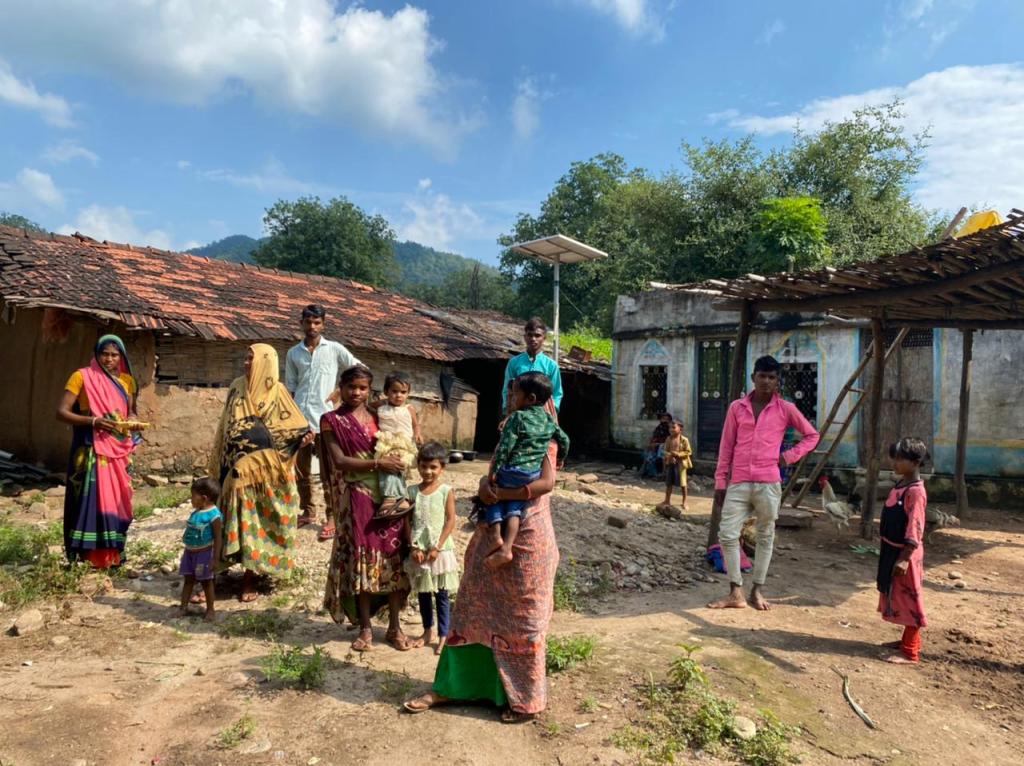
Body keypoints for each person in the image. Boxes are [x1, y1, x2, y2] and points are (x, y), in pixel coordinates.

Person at [403, 441, 560, 722]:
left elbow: (546, 483)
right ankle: (453, 688)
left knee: (522, 619)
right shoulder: (507, 433)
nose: (510, 399)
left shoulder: (544, 434)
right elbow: (492, 473)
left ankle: (522, 698)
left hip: (529, 536)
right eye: (509, 394)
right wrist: (483, 485)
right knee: (472, 610)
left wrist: (502, 492)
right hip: (493, 530)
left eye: (514, 394)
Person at [321, 365, 421, 652]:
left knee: (394, 559)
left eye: (363, 388)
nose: (356, 393)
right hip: (359, 497)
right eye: (351, 387)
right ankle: (365, 627)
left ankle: (394, 627)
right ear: (340, 387)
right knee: (362, 562)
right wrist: (379, 464)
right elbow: (339, 461)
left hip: (392, 496)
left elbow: (407, 418)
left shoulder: (381, 413)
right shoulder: (331, 420)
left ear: (370, 389)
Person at [709, 355, 819, 611]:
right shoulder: (737, 408)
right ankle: (735, 591)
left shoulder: (786, 409)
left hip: (768, 482)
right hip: (738, 481)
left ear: (777, 381)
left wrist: (788, 457)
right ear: (753, 377)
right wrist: (720, 481)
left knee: (765, 536)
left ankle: (757, 590)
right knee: (727, 535)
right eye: (762, 376)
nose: (766, 381)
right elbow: (726, 447)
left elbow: (812, 436)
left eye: (772, 377)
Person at [209, 343, 313, 603]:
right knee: (230, 520)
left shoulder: (278, 392)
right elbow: (226, 424)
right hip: (235, 473)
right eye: (246, 358)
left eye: (251, 359)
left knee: (257, 523)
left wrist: (300, 439)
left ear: (266, 362)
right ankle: (215, 573)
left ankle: (250, 577)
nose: (246, 363)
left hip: (266, 477)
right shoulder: (236, 387)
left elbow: (295, 426)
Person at [56, 334, 143, 569]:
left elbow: (131, 411)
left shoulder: (126, 382)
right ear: (97, 354)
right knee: (89, 500)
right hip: (89, 448)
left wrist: (133, 421)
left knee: (117, 500)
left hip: (118, 450)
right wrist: (93, 421)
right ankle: (85, 558)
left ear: (121, 357)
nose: (109, 359)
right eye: (104, 353)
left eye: (115, 355)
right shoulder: (81, 377)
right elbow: (61, 412)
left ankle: (113, 556)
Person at [285, 304, 361, 541]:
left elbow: (359, 368)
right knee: (300, 470)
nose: (312, 327)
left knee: (330, 472)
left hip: (326, 419)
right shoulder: (293, 353)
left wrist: (341, 388)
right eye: (308, 322)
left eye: (317, 322)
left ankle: (332, 516)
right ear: (302, 324)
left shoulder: (334, 349)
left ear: (323, 324)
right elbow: (290, 387)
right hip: (299, 419)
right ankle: (307, 511)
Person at [484, 372, 569, 568]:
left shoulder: (518, 418)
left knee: (493, 499)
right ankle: (506, 547)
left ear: (530, 399)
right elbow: (565, 439)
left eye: (514, 395)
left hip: (513, 473)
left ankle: (496, 537)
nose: (511, 399)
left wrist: (492, 475)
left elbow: (505, 448)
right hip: (529, 475)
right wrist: (562, 458)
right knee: (514, 509)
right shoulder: (548, 422)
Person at [877, 438, 930, 664]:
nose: (895, 462)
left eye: (900, 458)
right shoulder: (900, 486)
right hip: (892, 549)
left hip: (904, 553)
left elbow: (915, 527)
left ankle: (910, 651)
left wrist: (905, 558)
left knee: (910, 599)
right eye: (894, 457)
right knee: (896, 596)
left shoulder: (915, 492)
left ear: (916, 462)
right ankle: (906, 640)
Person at [406, 441, 460, 655]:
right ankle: (427, 630)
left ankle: (443, 635)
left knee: (442, 594)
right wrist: (413, 546)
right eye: (423, 466)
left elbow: (451, 520)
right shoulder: (412, 491)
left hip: (440, 550)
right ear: (417, 466)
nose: (428, 471)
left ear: (442, 468)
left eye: (433, 467)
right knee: (423, 592)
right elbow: (407, 522)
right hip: (419, 549)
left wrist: (437, 546)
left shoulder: (446, 491)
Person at [373, 371, 423, 516]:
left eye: (403, 392)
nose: (398, 395)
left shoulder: (409, 408)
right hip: (387, 443)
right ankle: (389, 498)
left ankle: (400, 496)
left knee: (401, 468)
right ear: (386, 392)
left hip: (405, 444)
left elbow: (415, 424)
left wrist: (418, 434)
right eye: (394, 391)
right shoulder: (381, 405)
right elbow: (366, 408)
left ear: (408, 393)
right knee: (388, 467)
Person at [178, 477, 223, 621]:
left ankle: (210, 610)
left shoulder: (214, 516)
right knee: (188, 580)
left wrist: (215, 559)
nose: (191, 499)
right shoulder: (197, 512)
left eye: (193, 496)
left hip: (204, 554)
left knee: (206, 582)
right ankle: (183, 607)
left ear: (204, 498)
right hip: (189, 553)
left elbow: (218, 538)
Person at [501, 317, 563, 420]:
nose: (533, 339)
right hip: (518, 414)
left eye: (537, 335)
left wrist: (550, 413)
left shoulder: (551, 365)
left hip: (543, 417)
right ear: (525, 337)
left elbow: (557, 393)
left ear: (544, 338)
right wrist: (508, 412)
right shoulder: (514, 363)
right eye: (530, 335)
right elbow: (507, 390)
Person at [662, 420, 693, 509]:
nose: (671, 429)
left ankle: (684, 502)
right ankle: (667, 500)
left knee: (683, 484)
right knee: (669, 483)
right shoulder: (668, 439)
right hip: (670, 463)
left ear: (680, 429)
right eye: (670, 428)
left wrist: (678, 454)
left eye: (673, 427)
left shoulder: (684, 440)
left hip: (681, 465)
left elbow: (688, 452)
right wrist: (669, 456)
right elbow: (665, 451)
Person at [641, 412, 672, 479]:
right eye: (663, 419)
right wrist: (651, 444)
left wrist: (658, 444)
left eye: (667, 419)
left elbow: (669, 441)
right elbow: (653, 438)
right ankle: (651, 473)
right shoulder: (658, 428)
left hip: (665, 448)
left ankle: (661, 474)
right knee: (647, 455)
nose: (665, 421)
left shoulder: (670, 429)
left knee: (661, 453)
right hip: (656, 447)